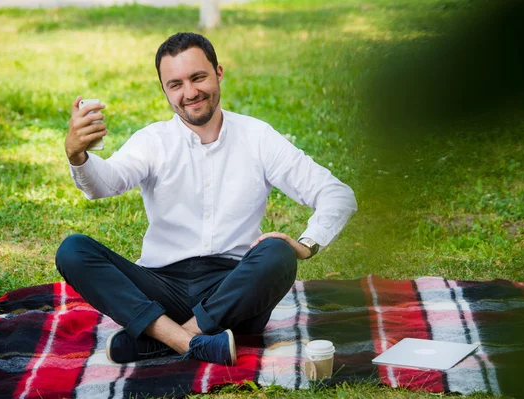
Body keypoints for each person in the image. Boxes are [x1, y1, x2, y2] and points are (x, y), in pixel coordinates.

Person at [56, 32, 357, 367]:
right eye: (176, 84)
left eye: (198, 77)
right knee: (73, 250)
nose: (190, 93)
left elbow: (336, 194)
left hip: (235, 294)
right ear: (164, 90)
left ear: (219, 73)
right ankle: (192, 342)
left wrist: (306, 244)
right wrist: (77, 155)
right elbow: (104, 184)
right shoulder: (153, 140)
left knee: (278, 253)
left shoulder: (258, 137)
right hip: (161, 285)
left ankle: (159, 340)